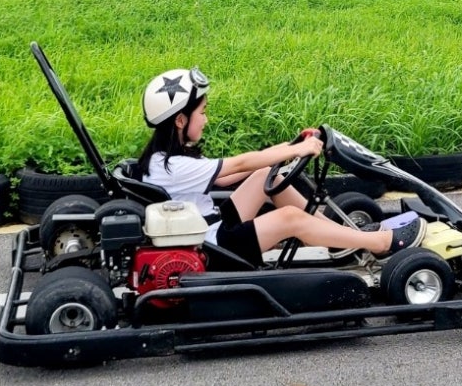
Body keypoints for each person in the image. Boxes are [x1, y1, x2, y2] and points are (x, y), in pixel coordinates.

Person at [139, 67, 426, 267]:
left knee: (266, 176)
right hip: (213, 248)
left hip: (208, 229)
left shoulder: (165, 158)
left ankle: (341, 238)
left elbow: (229, 177)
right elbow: (240, 163)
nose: (206, 119)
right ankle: (380, 242)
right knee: (290, 218)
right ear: (180, 120)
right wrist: (297, 150)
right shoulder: (173, 167)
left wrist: (288, 148)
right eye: (202, 112)